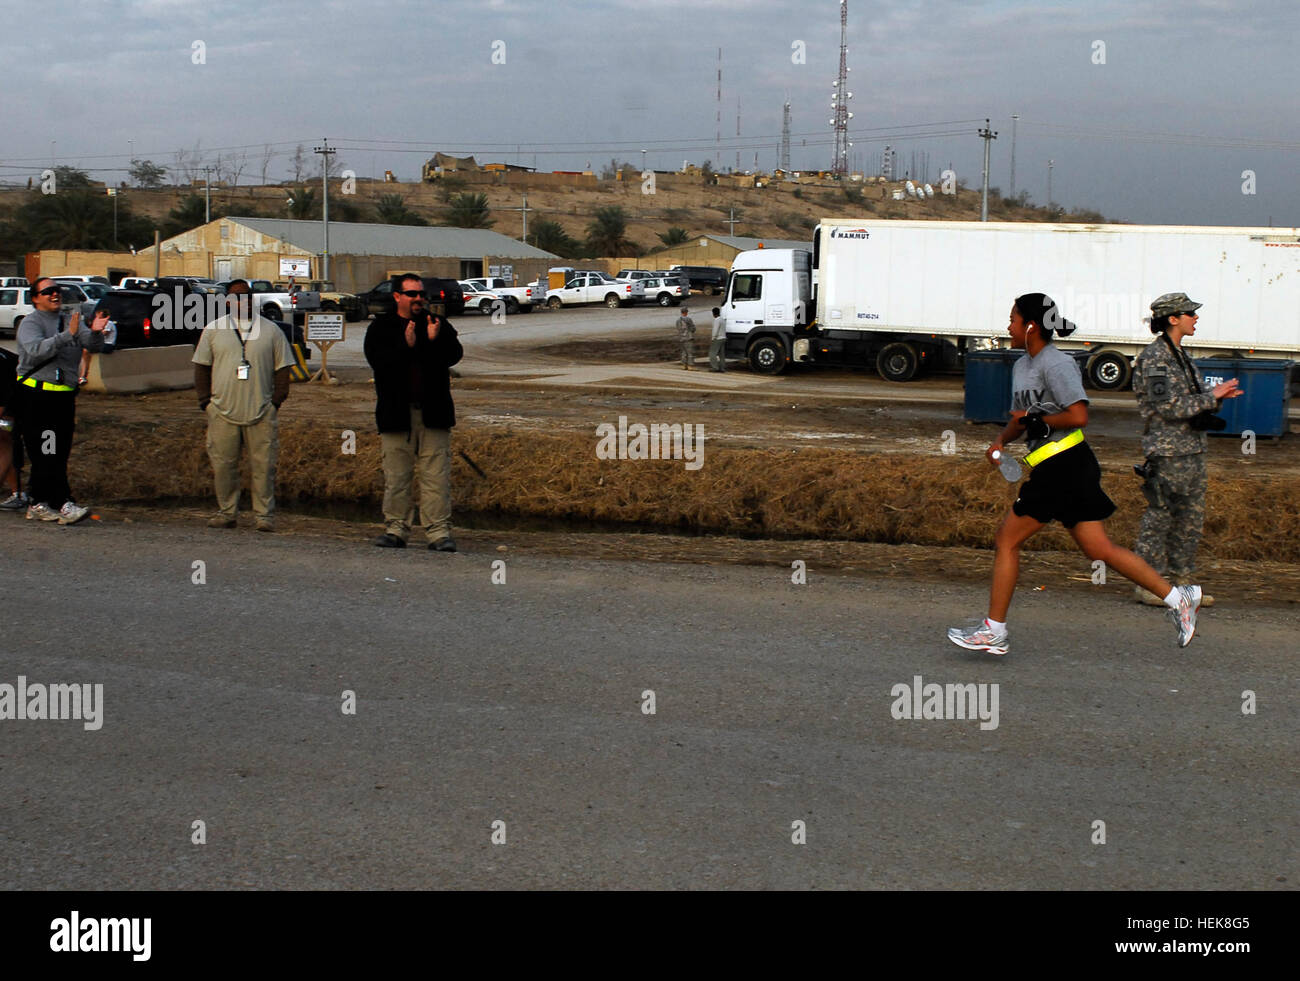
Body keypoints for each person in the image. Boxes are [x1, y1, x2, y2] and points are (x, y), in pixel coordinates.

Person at [948, 292, 1202, 655]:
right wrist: (1000, 441)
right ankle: (1178, 598)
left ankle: (994, 631)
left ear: (1031, 326)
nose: (1009, 327)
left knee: (1007, 539)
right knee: (1098, 548)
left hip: (1065, 465)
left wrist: (1039, 420)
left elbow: (1078, 415)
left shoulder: (1057, 364)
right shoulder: (1022, 366)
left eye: (1013, 320)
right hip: (1062, 467)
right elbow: (1021, 419)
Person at [1131, 293, 1241, 608]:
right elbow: (1165, 406)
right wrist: (1212, 396)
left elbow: (1193, 398)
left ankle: (1181, 585)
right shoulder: (1155, 358)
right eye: (1190, 313)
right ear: (1172, 318)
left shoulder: (1181, 355)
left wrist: (1218, 396)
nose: (1196, 318)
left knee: (1189, 520)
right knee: (1161, 516)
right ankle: (1148, 583)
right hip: (1167, 452)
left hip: (1191, 450)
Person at [364, 274, 463, 551]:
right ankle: (396, 529)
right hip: (397, 415)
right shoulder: (381, 328)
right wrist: (405, 346)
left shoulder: (437, 324)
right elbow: (379, 363)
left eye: (422, 294)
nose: (419, 299)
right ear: (397, 296)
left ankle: (439, 533)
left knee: (436, 477)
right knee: (397, 477)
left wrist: (434, 340)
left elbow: (454, 355)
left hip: (433, 414)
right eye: (412, 294)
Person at [192, 280, 293, 532]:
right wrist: (206, 402)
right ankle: (227, 512)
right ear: (227, 300)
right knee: (223, 465)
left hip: (261, 411)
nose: (242, 301)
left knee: (263, 466)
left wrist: (276, 402)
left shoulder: (271, 331)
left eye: (246, 296)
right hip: (222, 411)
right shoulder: (213, 330)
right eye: (236, 297)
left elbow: (283, 368)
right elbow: (201, 367)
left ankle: (264, 516)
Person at [15, 276, 107, 524]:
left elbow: (91, 344)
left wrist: (97, 332)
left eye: (57, 291)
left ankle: (45, 502)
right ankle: (54, 502)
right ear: (35, 298)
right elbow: (36, 351)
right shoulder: (29, 323)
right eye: (48, 292)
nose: (55, 295)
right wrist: (68, 335)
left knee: (59, 451)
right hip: (38, 398)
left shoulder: (70, 319)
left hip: (63, 398)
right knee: (46, 451)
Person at [0, 344, 29, 511]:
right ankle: (17, 493)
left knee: (5, 444)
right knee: (6, 446)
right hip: (13, 403)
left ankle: (18, 493)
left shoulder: (3, 361)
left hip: (15, 405)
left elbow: (4, 395)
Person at [675, 305, 696, 370]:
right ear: (686, 312)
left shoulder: (678, 320)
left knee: (684, 352)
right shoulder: (688, 319)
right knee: (690, 352)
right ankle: (690, 365)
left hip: (681, 337)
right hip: (688, 337)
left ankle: (684, 365)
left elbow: (678, 328)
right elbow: (693, 328)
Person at [708, 306, 726, 372]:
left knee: (712, 353)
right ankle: (722, 368)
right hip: (723, 337)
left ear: (713, 313)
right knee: (721, 354)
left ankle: (715, 367)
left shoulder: (717, 320)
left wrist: (713, 338)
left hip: (718, 338)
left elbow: (715, 330)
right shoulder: (722, 319)